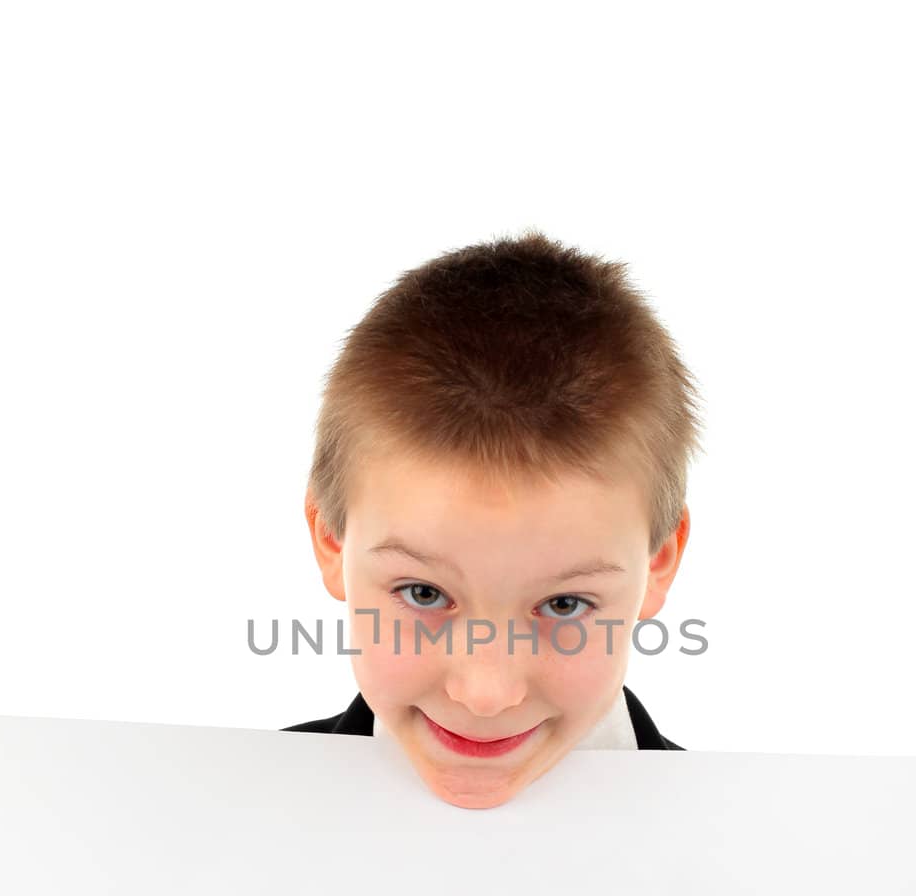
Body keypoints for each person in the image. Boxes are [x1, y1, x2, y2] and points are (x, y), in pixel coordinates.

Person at [282, 228, 704, 810]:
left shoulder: (774, 859)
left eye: (564, 604)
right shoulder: (217, 821)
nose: (485, 693)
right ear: (331, 538)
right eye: (424, 592)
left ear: (659, 563)